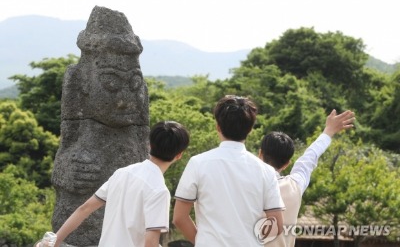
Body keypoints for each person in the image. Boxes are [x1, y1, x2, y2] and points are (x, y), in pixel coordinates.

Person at [40, 121, 190, 247]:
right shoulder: (159, 190)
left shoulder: (122, 173)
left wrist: (54, 241)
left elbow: (84, 209)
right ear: (179, 155)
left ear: (149, 145)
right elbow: (150, 242)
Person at [173, 95, 285, 247]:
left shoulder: (198, 163)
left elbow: (179, 217)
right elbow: (277, 225)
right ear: (250, 129)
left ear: (218, 126)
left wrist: (202, 241)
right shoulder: (266, 171)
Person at [259, 109, 355, 247]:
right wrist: (328, 131)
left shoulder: (245, 184)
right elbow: (309, 158)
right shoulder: (294, 186)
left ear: (260, 153)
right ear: (287, 164)